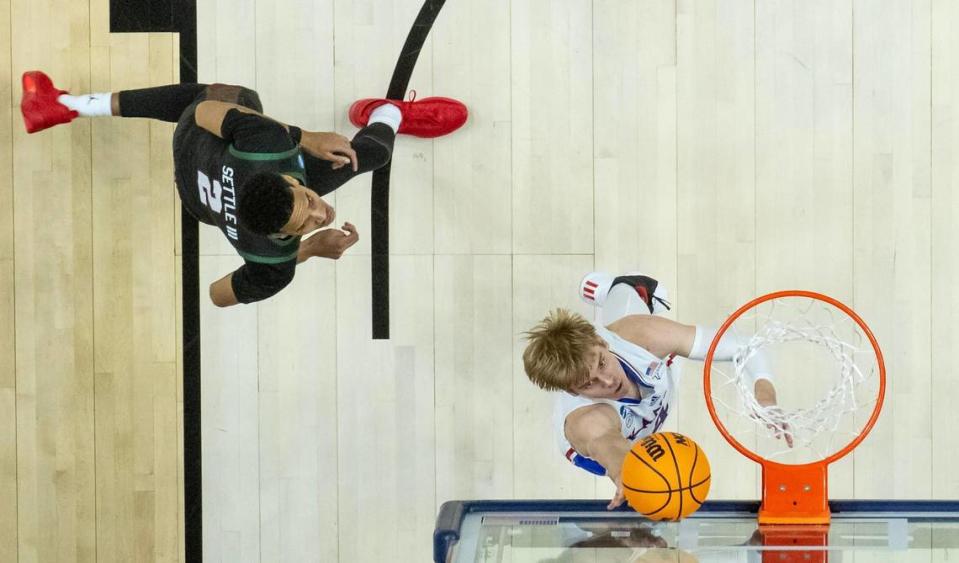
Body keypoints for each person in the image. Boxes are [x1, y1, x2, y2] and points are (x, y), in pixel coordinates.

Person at [20, 71, 467, 306]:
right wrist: (305, 250)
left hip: (196, 151)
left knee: (231, 95)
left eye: (308, 201)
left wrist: (305, 137)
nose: (320, 215)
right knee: (367, 155)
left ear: (287, 178)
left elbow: (203, 113)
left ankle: (66, 106)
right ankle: (389, 113)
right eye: (302, 226)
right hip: (196, 199)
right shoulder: (275, 265)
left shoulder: (266, 147)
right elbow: (215, 296)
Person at [522, 272, 790, 510]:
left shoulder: (642, 336)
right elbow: (610, 447)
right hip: (611, 444)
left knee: (636, 292)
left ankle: (617, 286)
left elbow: (745, 346)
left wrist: (765, 397)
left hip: (635, 358)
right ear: (571, 391)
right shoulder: (587, 420)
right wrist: (627, 475)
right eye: (587, 384)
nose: (607, 382)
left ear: (602, 341)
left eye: (602, 363)